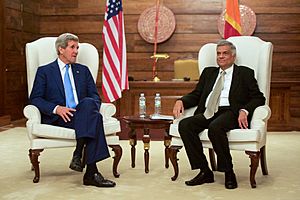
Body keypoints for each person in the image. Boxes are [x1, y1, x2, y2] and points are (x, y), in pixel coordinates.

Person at [172, 40, 265, 189]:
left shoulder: (245, 73)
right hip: (208, 111)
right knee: (185, 124)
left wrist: (244, 110)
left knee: (216, 128)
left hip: (229, 111)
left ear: (233, 57)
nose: (221, 57)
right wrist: (181, 100)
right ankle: (205, 171)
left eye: (225, 53)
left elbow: (258, 97)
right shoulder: (209, 73)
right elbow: (196, 95)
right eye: (218, 53)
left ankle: (228, 172)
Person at [29, 33, 116, 187]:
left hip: (82, 113)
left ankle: (79, 154)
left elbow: (96, 98)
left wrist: (85, 109)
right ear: (61, 49)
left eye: (77, 48)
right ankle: (91, 172)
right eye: (72, 47)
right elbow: (35, 99)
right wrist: (56, 109)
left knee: (89, 104)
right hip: (60, 118)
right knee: (95, 119)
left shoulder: (83, 70)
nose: (76, 51)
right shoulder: (45, 71)